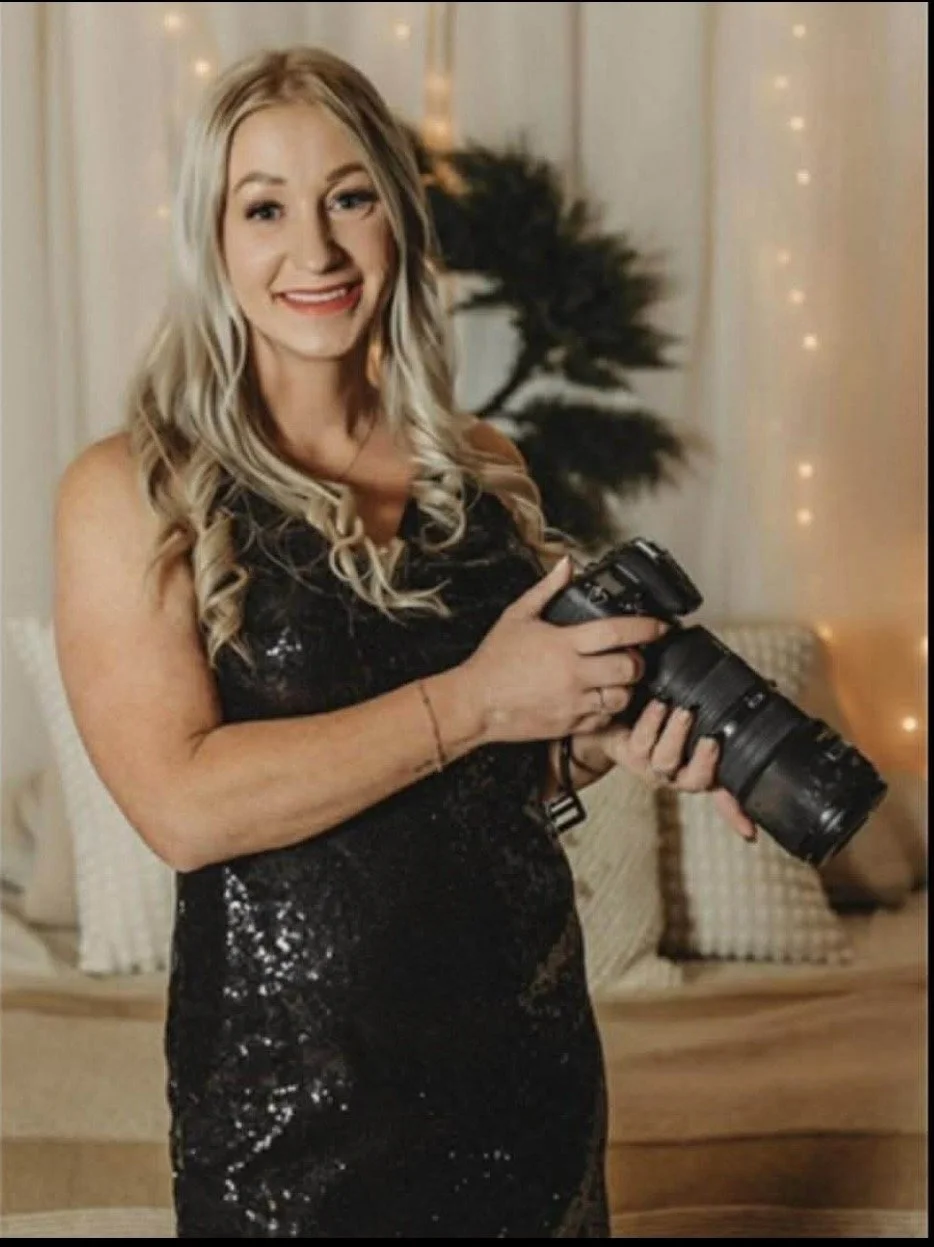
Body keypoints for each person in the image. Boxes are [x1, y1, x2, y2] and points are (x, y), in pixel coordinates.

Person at [53, 46, 757, 1239]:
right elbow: (181, 804)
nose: (315, 250)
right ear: (211, 239)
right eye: (263, 206)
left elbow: (500, 769)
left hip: (525, 1071)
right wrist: (480, 700)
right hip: (294, 1102)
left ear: (397, 215)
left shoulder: (483, 466)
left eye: (349, 195)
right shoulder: (133, 488)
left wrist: (593, 737)